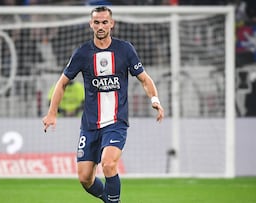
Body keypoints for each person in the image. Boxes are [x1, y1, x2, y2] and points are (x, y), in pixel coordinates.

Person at [42, 6, 164, 203]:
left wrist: (155, 100)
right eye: (96, 22)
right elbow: (62, 82)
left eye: (104, 22)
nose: (100, 26)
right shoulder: (82, 53)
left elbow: (144, 79)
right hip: (90, 126)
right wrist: (52, 113)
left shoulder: (125, 50)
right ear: (91, 24)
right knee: (85, 178)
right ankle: (111, 200)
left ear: (112, 24)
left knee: (108, 165)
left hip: (116, 122)